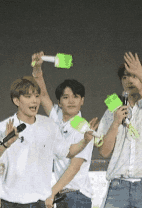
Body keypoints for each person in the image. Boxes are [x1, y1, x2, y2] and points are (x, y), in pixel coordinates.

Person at [0, 76, 94, 208]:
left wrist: (84, 141)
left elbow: (68, 151)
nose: (34, 101)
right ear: (16, 100)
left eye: (37, 96)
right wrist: (5, 145)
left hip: (41, 202)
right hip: (11, 201)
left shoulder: (49, 125)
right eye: (28, 97)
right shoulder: (3, 127)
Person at [31, 52, 98, 208]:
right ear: (59, 102)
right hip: (62, 194)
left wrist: (52, 192)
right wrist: (37, 68)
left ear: (82, 101)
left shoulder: (84, 128)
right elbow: (42, 94)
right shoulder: (57, 117)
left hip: (77, 196)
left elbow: (74, 167)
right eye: (66, 97)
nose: (71, 101)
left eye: (75, 96)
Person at [97, 52, 142, 208]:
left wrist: (140, 73)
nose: (129, 80)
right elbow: (104, 151)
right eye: (125, 77)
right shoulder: (113, 109)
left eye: (134, 76)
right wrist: (116, 123)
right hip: (118, 187)